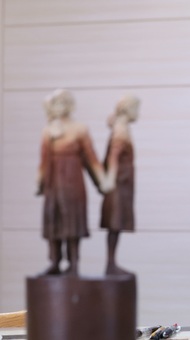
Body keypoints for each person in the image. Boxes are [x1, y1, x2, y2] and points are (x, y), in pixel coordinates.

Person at [37, 89, 107, 275]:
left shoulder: (79, 129)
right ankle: (55, 261)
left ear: (69, 105)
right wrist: (39, 182)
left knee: (73, 219)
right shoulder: (48, 131)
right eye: (55, 103)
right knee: (53, 217)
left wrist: (101, 181)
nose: (58, 107)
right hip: (53, 181)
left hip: (73, 180)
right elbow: (43, 161)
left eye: (62, 102)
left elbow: (91, 158)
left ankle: (74, 263)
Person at [100, 94, 140, 275]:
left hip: (122, 184)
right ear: (127, 109)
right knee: (114, 224)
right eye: (136, 108)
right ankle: (110, 264)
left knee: (116, 225)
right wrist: (110, 179)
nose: (137, 113)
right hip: (118, 185)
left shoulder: (122, 128)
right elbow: (114, 156)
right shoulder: (121, 130)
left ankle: (111, 263)